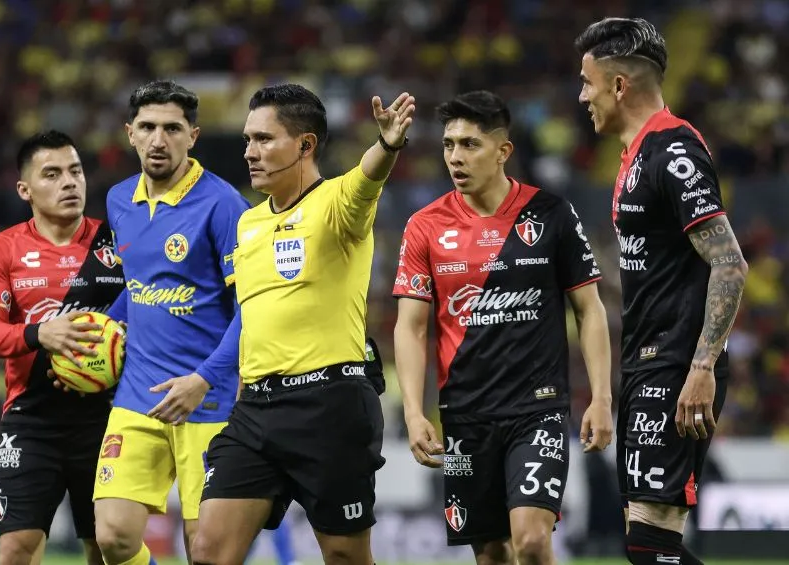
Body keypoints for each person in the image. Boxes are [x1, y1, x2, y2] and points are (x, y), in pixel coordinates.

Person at [190, 83, 414, 565]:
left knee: (344, 556)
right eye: (248, 139)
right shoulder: (248, 225)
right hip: (256, 411)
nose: (250, 151)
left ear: (306, 145)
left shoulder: (337, 204)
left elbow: (367, 176)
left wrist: (389, 143)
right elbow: (256, 320)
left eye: (265, 139)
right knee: (208, 550)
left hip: (328, 408)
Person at [391, 91, 614, 565]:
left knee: (532, 541)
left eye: (470, 144)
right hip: (465, 413)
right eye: (449, 144)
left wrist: (600, 396)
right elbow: (410, 327)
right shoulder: (424, 226)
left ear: (503, 151)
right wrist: (413, 412)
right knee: (491, 552)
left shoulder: (550, 214)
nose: (455, 156)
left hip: (537, 409)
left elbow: (589, 309)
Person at [574, 17, 749, 565]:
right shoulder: (636, 155)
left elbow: (730, 264)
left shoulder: (673, 152)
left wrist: (700, 368)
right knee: (649, 543)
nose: (582, 97)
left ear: (619, 85)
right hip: (650, 362)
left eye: (588, 83)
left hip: (676, 365)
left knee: (650, 546)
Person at [88, 80, 249, 565]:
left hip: (209, 401)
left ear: (193, 136)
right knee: (113, 538)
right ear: (130, 134)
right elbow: (139, 291)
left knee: (205, 551)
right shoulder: (119, 200)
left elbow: (253, 309)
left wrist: (204, 380)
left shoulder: (223, 206)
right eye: (148, 127)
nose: (159, 139)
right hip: (138, 395)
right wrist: (94, 331)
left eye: (172, 128)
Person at [0, 130, 125, 565]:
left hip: (107, 417)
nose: (69, 182)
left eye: (75, 171)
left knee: (107, 544)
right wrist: (41, 333)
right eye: (52, 174)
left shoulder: (116, 243)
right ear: (25, 189)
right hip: (32, 420)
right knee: (16, 549)